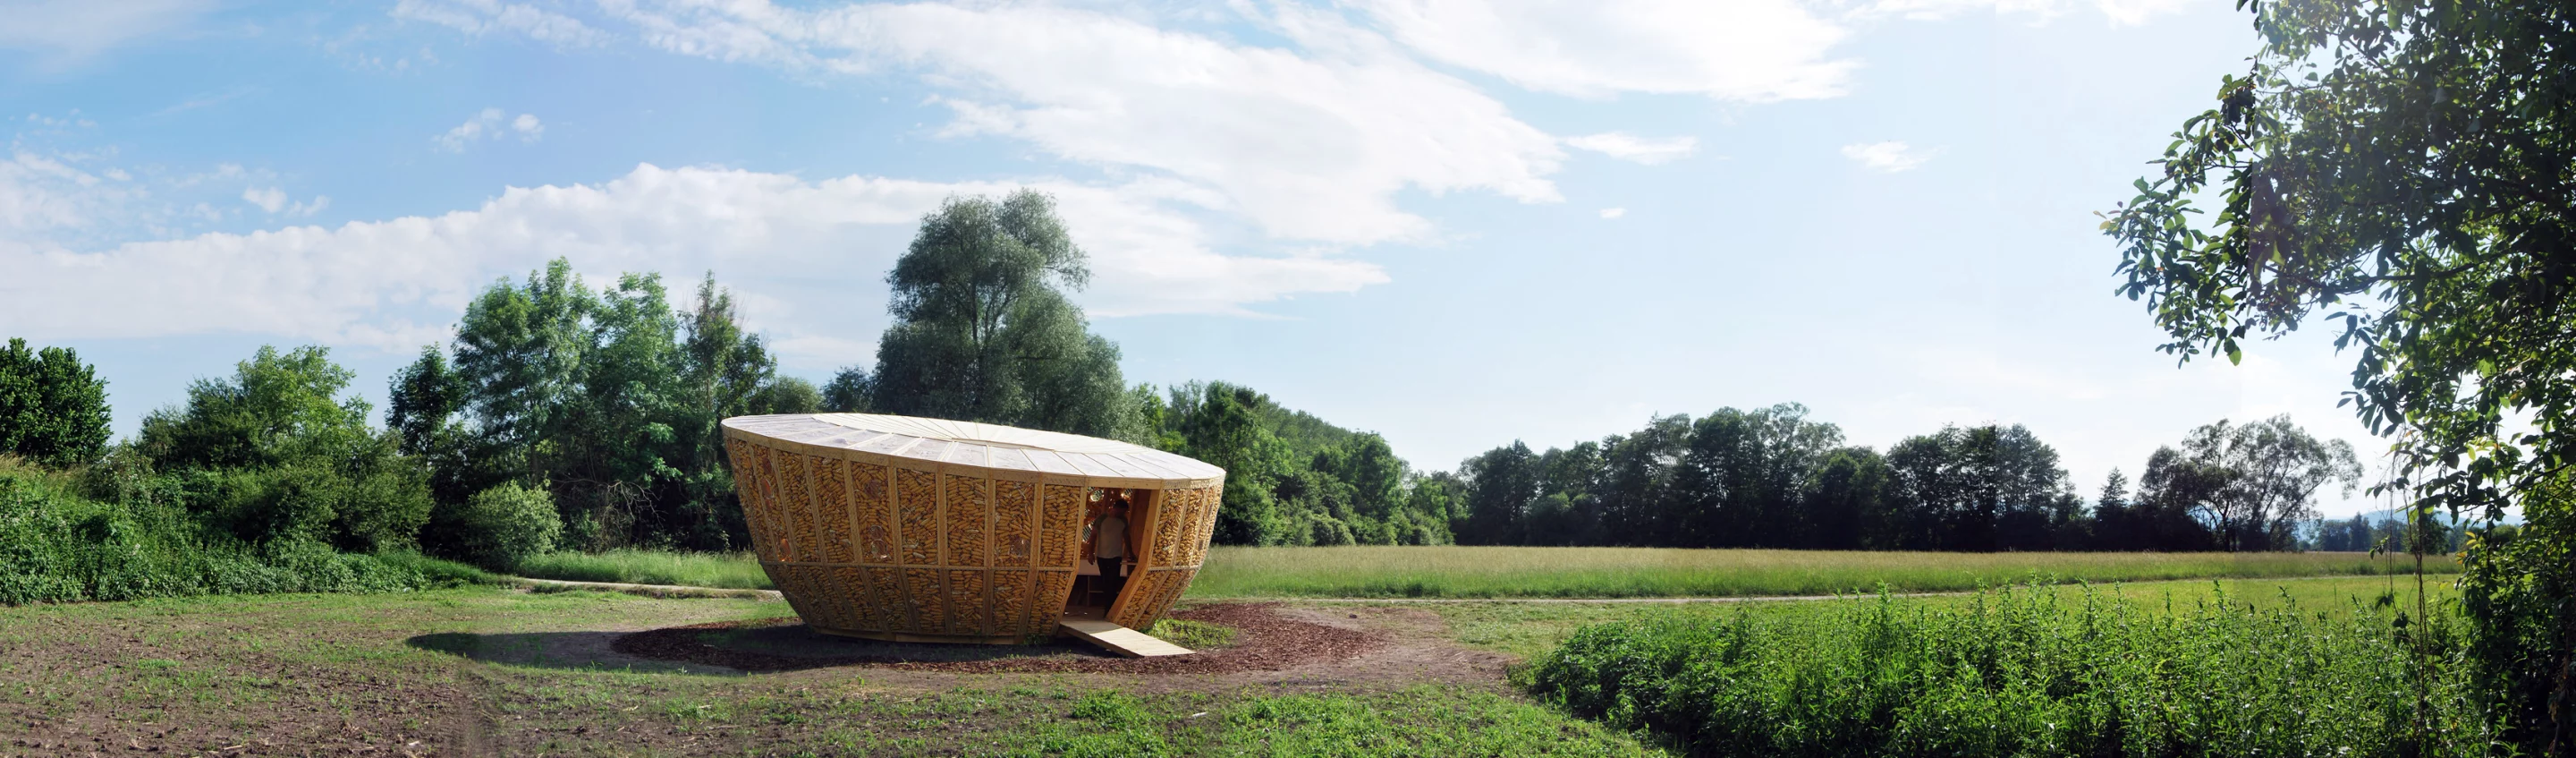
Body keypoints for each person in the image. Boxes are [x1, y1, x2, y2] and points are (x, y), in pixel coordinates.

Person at [1090, 496, 1130, 598]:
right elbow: (1093, 536)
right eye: (1121, 511)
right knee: (1105, 581)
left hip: (1116, 556)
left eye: (1124, 512)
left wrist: (1131, 552)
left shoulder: (1123, 520)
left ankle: (1110, 606)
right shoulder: (1102, 519)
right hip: (1102, 555)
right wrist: (1090, 553)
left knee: (1113, 581)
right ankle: (1107, 603)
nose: (1122, 514)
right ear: (1115, 508)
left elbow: (1127, 537)